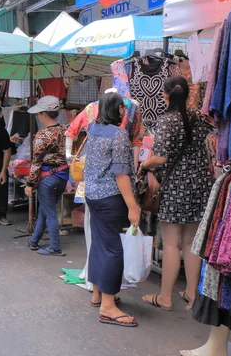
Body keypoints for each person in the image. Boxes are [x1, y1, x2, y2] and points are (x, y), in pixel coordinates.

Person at [141, 76, 213, 311]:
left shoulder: (166, 121)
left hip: (175, 187)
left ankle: (165, 297)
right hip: (200, 184)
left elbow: (160, 158)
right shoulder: (197, 117)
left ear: (165, 95)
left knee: (171, 244)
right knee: (191, 242)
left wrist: (145, 165)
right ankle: (192, 294)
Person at [83, 92, 140, 328]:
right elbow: (121, 173)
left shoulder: (93, 129)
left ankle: (98, 293)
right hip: (110, 198)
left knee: (99, 244)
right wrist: (132, 206)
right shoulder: (118, 135)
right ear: (118, 110)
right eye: (122, 108)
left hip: (93, 196)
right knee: (114, 250)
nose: (125, 112)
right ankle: (108, 306)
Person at [24, 96, 69, 256]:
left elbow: (36, 162)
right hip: (63, 175)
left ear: (43, 114)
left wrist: (30, 184)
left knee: (49, 212)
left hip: (47, 177)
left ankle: (55, 247)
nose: (37, 116)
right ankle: (34, 241)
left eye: (38, 113)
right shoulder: (65, 129)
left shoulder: (42, 135)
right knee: (45, 208)